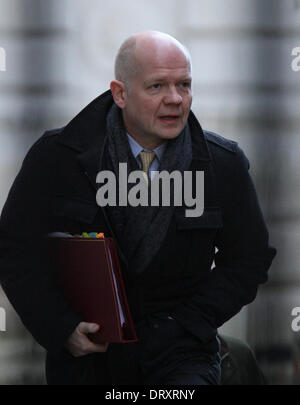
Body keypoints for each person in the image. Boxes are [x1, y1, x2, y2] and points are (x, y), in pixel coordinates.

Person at [0, 31, 276, 385]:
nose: (175, 99)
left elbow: (249, 259)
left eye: (184, 84)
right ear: (120, 93)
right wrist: (60, 327)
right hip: (89, 356)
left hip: (183, 354)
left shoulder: (222, 164)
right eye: (157, 86)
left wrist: (191, 323)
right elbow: (15, 250)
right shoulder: (58, 158)